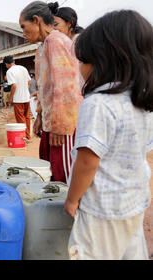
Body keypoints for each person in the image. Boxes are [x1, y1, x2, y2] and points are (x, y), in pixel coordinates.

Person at [65, 10, 153, 260]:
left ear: (103, 61)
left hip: (101, 211)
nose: (80, 68)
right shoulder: (141, 101)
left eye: (83, 61)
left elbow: (87, 162)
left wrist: (72, 199)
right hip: (134, 203)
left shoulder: (98, 104)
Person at [19, 1, 82, 183]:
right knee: (50, 171)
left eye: (24, 27)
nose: (23, 33)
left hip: (63, 125)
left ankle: (68, 211)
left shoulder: (56, 41)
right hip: (51, 122)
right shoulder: (44, 46)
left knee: (62, 175)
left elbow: (65, 86)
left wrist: (59, 127)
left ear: (36, 20)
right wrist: (39, 115)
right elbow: (46, 87)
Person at [4, 55, 32, 140]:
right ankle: (28, 136)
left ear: (7, 64)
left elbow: (14, 86)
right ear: (13, 61)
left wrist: (10, 98)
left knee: (20, 119)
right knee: (27, 117)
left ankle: (23, 137)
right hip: (26, 98)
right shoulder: (23, 68)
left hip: (18, 99)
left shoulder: (9, 71)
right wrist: (25, 90)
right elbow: (29, 81)